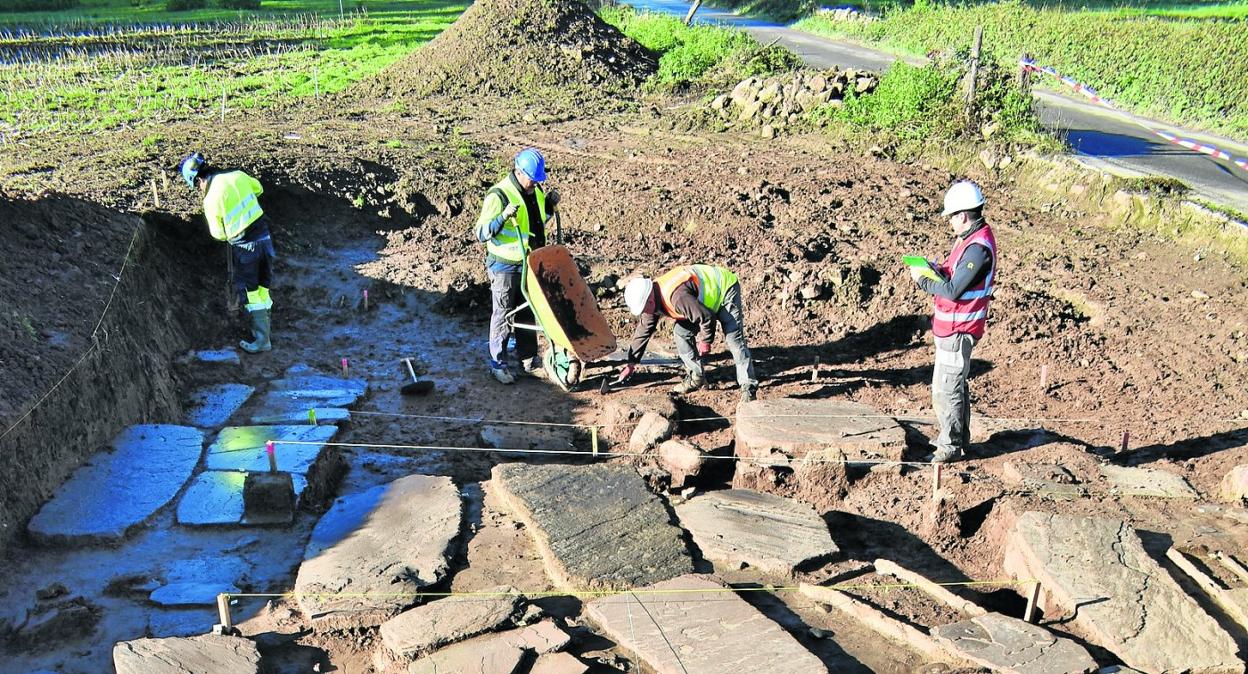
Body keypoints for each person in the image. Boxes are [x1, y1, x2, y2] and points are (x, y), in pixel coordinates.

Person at [910, 181, 997, 463]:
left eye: (951, 218)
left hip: (960, 328)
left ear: (962, 215)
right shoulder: (968, 240)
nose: (950, 223)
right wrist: (935, 268)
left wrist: (923, 279)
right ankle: (957, 439)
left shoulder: (977, 248)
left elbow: (952, 290)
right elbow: (952, 272)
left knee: (947, 388)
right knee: (953, 385)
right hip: (951, 327)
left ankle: (950, 446)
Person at [473, 148, 560, 384]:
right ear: (519, 172)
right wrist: (501, 217)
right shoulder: (499, 195)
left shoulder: (535, 192)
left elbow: (539, 222)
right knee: (502, 313)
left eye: (538, 179)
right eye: (532, 179)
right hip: (505, 266)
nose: (535, 184)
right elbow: (481, 232)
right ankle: (498, 363)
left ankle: (528, 358)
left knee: (528, 310)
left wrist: (550, 207)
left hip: (530, 262)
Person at [179, 152, 277, 354]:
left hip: (245, 248)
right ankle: (266, 331)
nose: (199, 190)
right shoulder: (238, 175)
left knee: (252, 294)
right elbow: (258, 189)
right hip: (265, 240)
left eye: (196, 186)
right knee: (263, 287)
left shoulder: (210, 200)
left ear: (198, 180)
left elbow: (219, 234)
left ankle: (261, 340)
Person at [618, 265, 759, 402]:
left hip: (724, 289)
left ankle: (748, 386)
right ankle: (696, 377)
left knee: (734, 339)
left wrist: (705, 341)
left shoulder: (677, 298)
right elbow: (643, 330)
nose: (644, 313)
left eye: (643, 309)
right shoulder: (651, 300)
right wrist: (631, 362)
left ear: (649, 300)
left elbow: (707, 317)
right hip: (699, 303)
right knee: (680, 332)